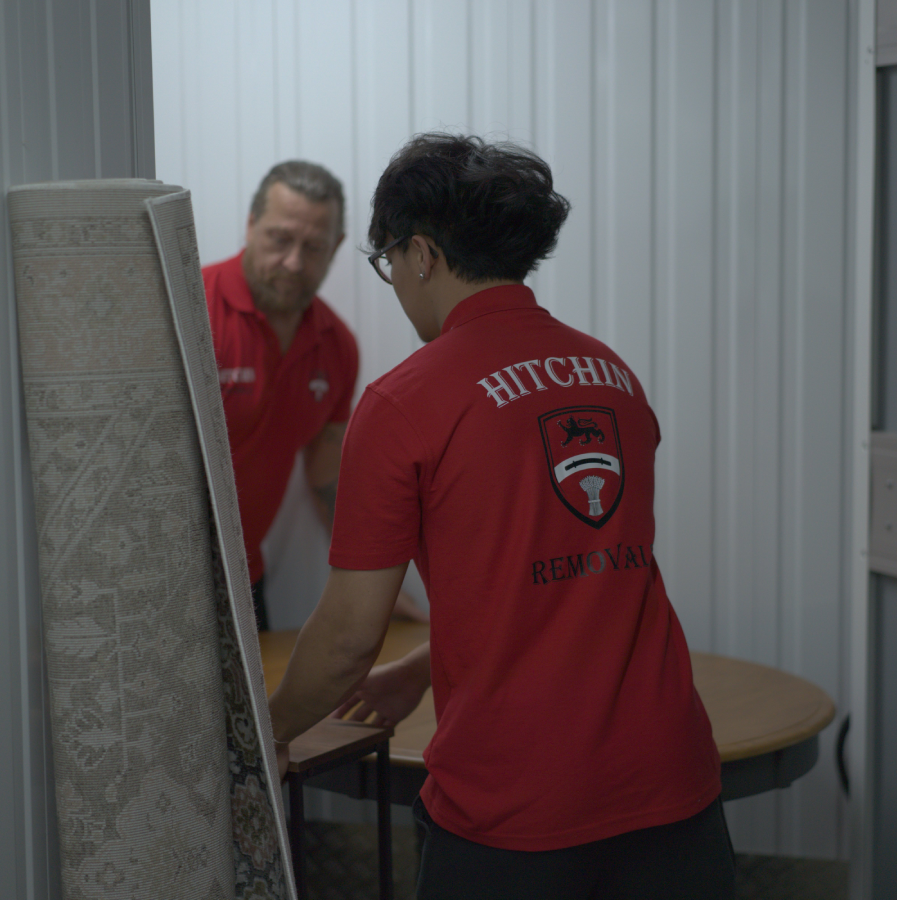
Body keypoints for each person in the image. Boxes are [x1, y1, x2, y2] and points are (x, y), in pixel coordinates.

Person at [268, 135, 736, 899]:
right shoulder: (611, 375)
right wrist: (422, 669)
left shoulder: (402, 404)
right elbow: (574, 582)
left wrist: (265, 733)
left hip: (519, 811)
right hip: (674, 790)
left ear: (421, 254)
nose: (393, 281)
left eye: (387, 261)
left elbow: (349, 636)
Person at [202, 160, 424, 630]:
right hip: (167, 577)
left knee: (254, 706)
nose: (294, 263)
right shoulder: (192, 309)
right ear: (250, 224)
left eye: (314, 246)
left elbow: (328, 480)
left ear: (337, 248)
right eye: (280, 239)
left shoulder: (336, 347)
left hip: (245, 580)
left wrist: (379, 589)